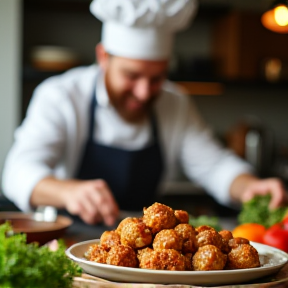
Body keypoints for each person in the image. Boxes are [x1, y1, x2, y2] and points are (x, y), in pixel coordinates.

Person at [1, 0, 287, 227]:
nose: (143, 91)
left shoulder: (175, 102)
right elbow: (17, 172)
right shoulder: (61, 95)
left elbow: (214, 166)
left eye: (156, 78)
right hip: (72, 243)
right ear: (103, 57)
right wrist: (67, 191)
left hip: (146, 260)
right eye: (132, 75)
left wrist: (250, 186)